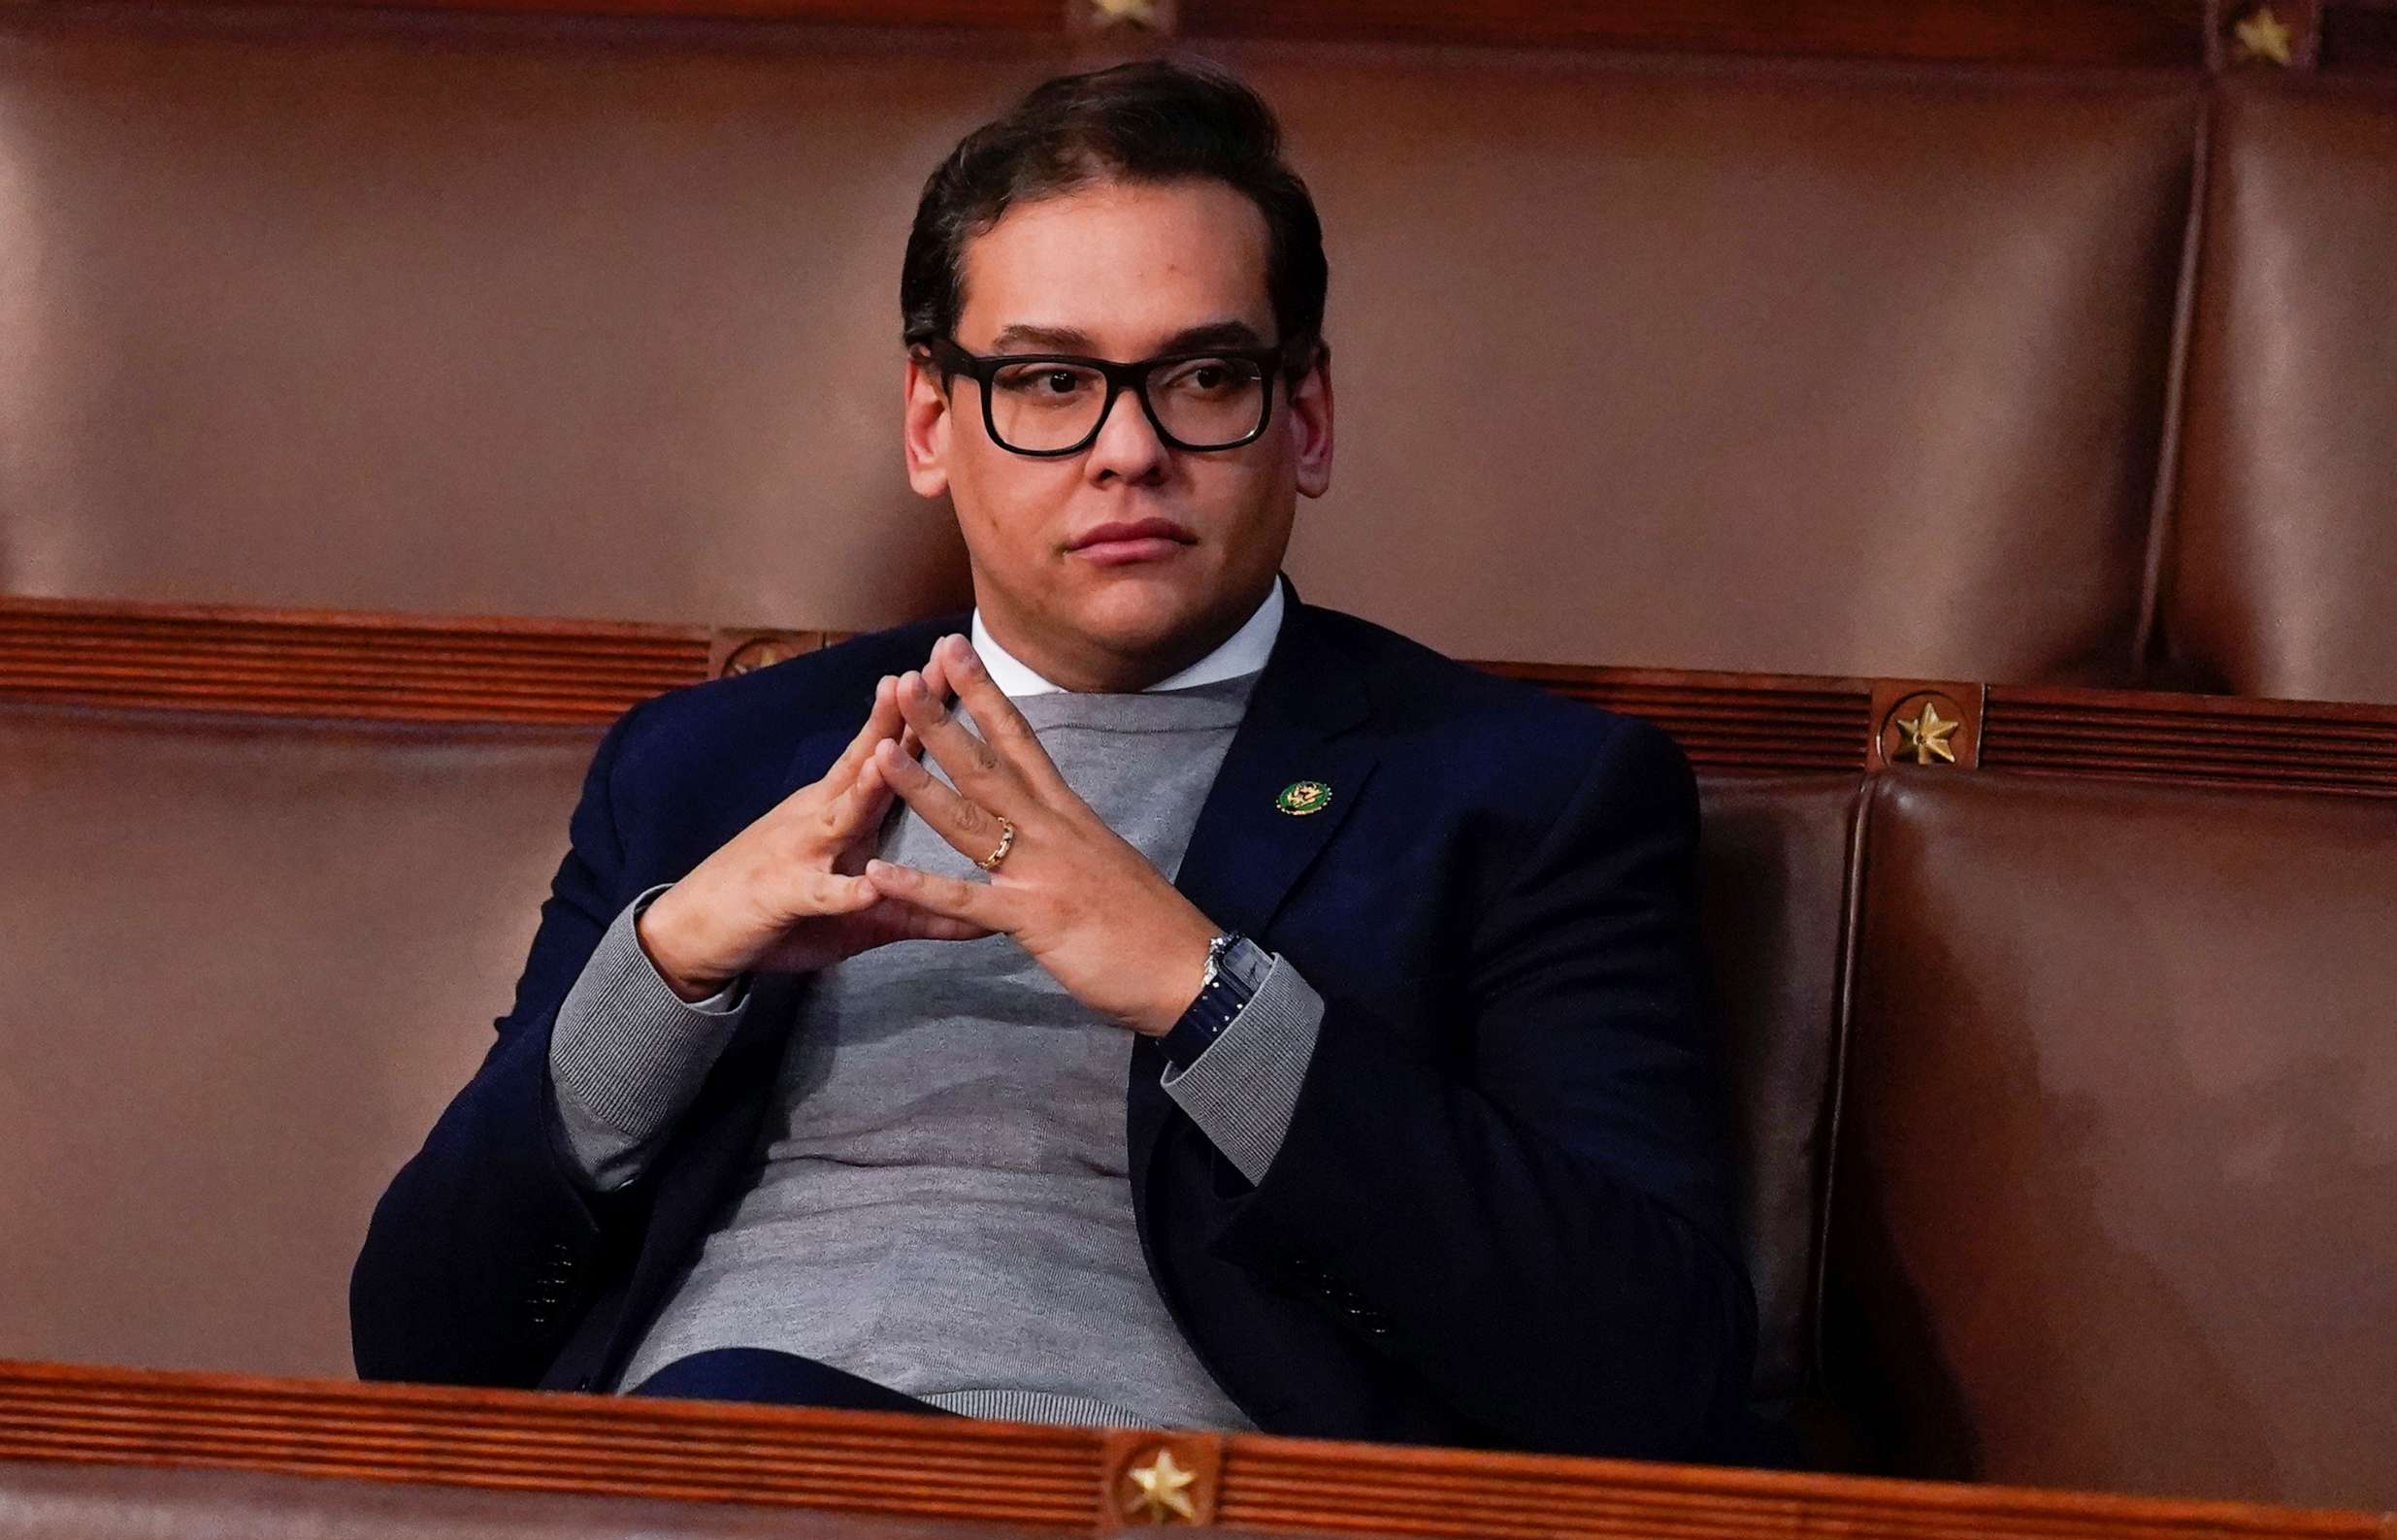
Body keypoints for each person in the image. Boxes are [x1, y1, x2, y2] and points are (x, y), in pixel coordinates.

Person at [351, 56, 1756, 1463]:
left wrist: (1203, 994)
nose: (1129, 450)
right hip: (672, 1498)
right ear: (928, 421)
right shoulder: (709, 765)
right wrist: (662, 976)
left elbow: (1655, 1365)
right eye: (1049, 380)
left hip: (1149, 1539)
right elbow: (419, 1341)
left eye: (1207, 378)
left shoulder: (1523, 793)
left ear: (1307, 418)